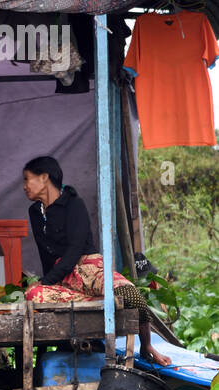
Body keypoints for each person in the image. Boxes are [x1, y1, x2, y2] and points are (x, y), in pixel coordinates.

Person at [21, 155, 170, 366]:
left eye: (28, 179)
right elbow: (45, 253)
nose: (25, 186)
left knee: (129, 293)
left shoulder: (74, 204)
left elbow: (74, 251)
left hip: (88, 266)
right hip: (61, 275)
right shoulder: (35, 212)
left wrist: (47, 281)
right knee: (32, 294)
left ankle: (147, 345)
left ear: (44, 178)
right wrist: (48, 281)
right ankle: (103, 306)